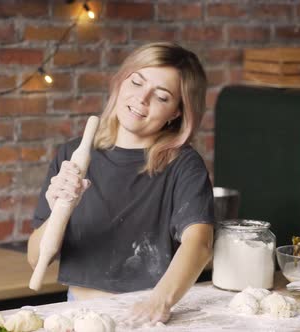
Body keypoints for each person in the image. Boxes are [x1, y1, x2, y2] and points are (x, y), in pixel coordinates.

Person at [27, 42, 214, 327]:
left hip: (144, 314)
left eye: (161, 97)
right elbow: (35, 260)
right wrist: (58, 211)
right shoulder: (73, 154)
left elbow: (199, 243)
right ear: (122, 80)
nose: (142, 98)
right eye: (137, 82)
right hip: (78, 313)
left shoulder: (183, 165)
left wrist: (158, 302)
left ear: (176, 112)